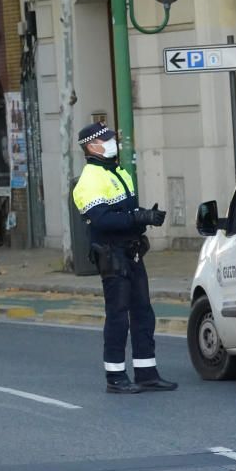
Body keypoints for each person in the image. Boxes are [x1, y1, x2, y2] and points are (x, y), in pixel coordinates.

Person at [72, 122, 178, 394]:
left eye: (112, 138)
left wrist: (144, 218)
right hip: (111, 254)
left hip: (131, 251)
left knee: (143, 312)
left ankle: (146, 373)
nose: (111, 143)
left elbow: (125, 211)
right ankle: (115, 377)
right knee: (118, 315)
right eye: (105, 140)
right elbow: (103, 220)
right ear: (91, 146)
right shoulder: (89, 180)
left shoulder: (118, 172)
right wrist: (136, 217)